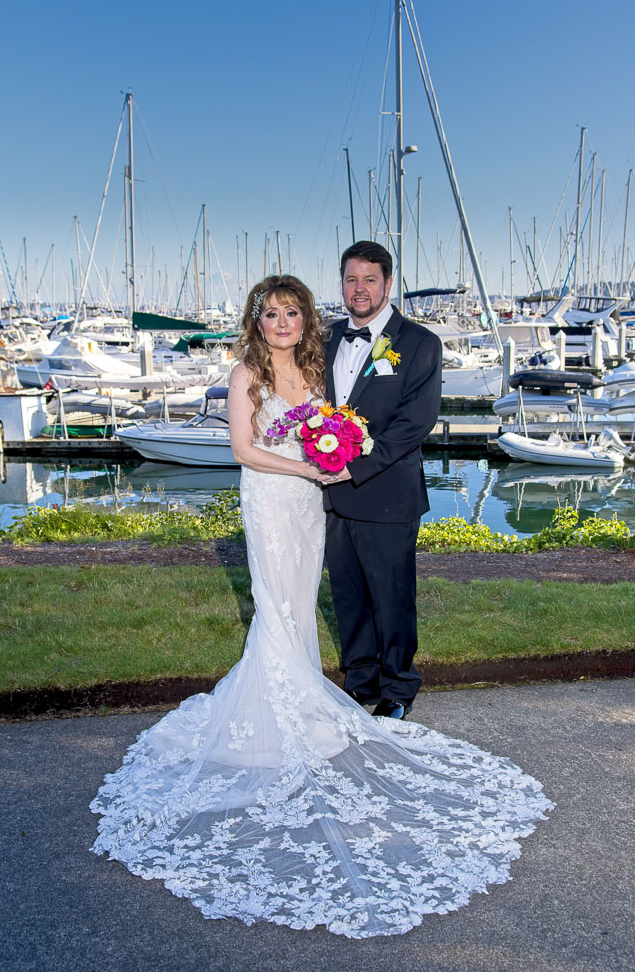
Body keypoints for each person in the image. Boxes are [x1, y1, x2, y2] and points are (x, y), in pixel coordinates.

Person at [90, 273, 553, 939]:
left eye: (290, 313)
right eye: (270, 313)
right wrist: (309, 469)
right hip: (272, 500)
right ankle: (275, 713)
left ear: (306, 319)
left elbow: (328, 432)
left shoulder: (312, 369)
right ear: (255, 320)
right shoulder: (242, 371)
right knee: (275, 604)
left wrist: (332, 456)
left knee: (300, 606)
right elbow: (244, 449)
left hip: (310, 505)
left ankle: (302, 698)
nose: (280, 322)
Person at [321, 241, 442, 720]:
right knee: (348, 595)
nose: (360, 289)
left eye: (370, 280)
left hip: (388, 494)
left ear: (388, 284)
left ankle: (397, 687)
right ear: (342, 283)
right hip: (333, 496)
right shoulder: (326, 337)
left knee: (392, 598)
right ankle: (360, 679)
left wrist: (356, 466)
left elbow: (415, 423)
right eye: (352, 279)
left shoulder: (419, 343)